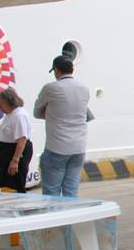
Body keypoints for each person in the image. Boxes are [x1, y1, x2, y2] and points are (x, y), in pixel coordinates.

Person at [34, 55, 94, 197]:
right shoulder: (84, 88)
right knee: (71, 191)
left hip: (57, 147)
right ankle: (70, 212)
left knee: (51, 192)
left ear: (56, 70)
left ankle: (55, 212)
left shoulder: (50, 88)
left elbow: (37, 112)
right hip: (79, 148)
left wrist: (52, 114)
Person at [0, 88, 32, 193]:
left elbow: (21, 140)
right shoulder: (11, 114)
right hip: (8, 151)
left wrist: (15, 161)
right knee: (5, 185)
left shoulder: (19, 116)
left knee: (14, 185)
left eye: (1, 104)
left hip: (15, 152)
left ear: (9, 102)